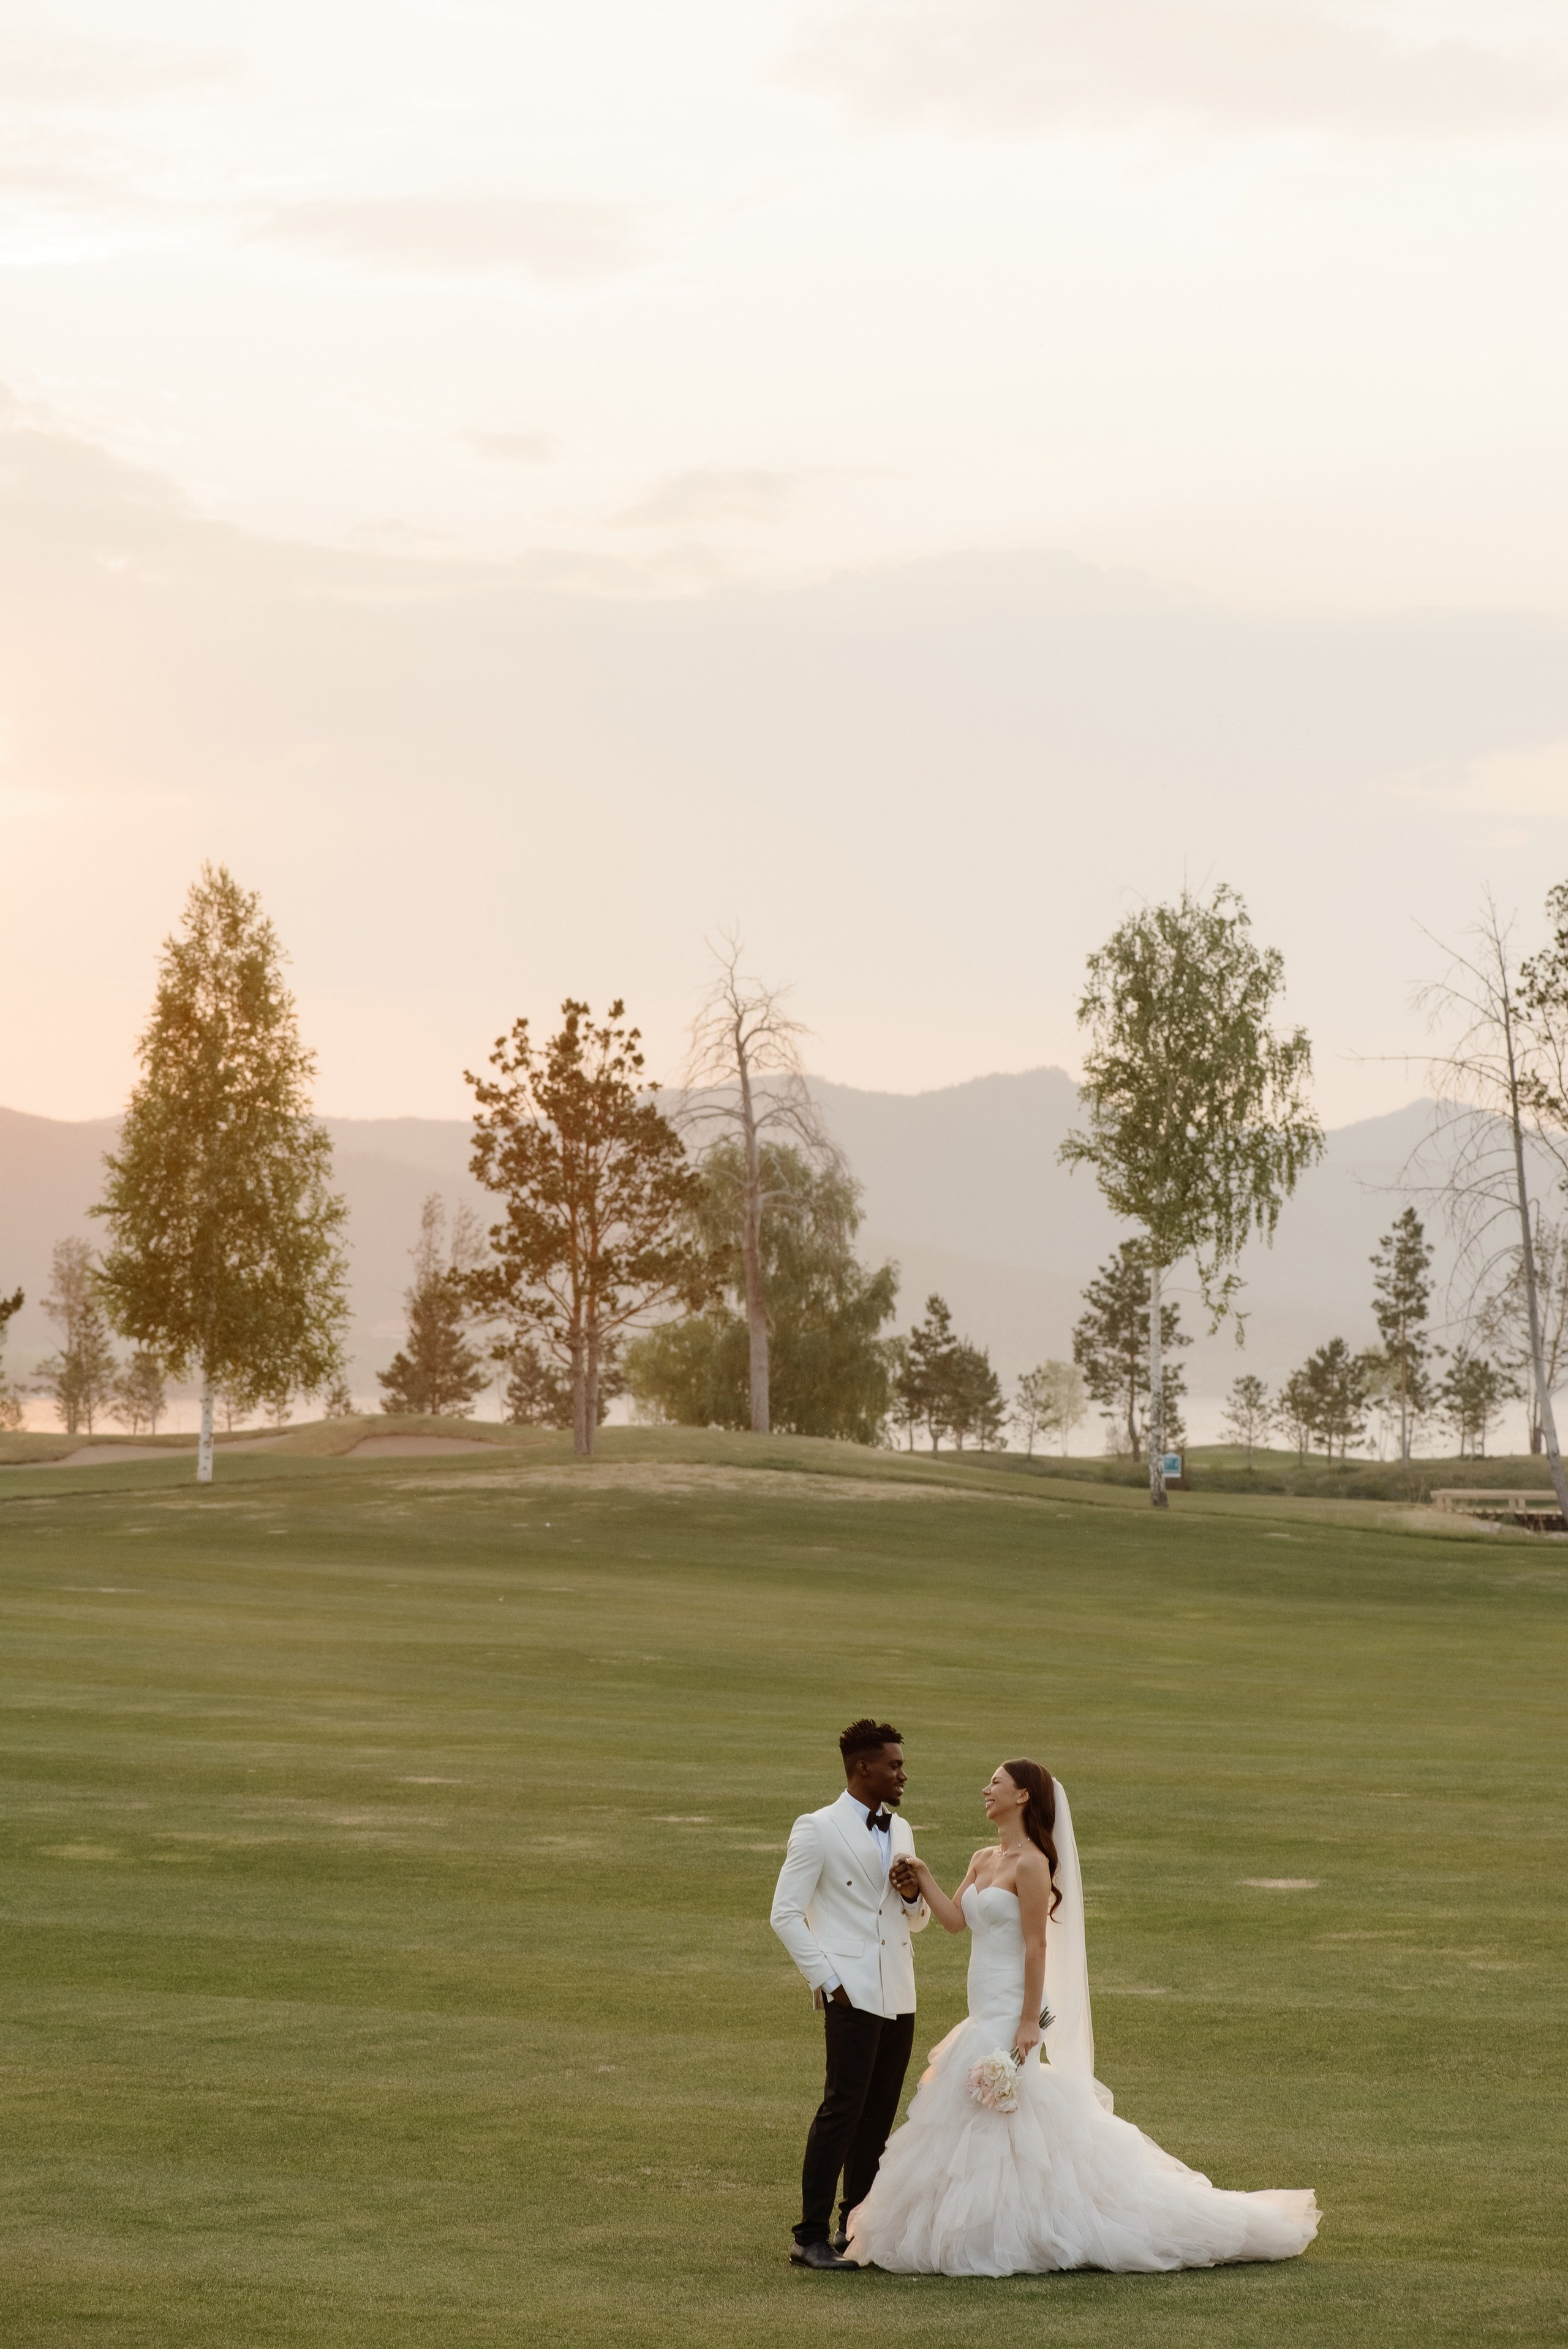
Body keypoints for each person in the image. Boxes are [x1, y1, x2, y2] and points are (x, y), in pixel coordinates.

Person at [847, 1760, 1321, 2276]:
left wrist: (1030, 2020)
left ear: (1023, 1796)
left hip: (1009, 2012)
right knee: (974, 2117)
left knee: (1005, 2117)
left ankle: (1014, 2231)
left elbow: (1035, 1947)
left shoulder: (1031, 1864)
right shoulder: (983, 1858)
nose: (986, 1790)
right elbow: (957, 1921)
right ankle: (988, 2227)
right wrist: (921, 1877)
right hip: (981, 2010)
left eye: (997, 1784)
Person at [769, 1718, 931, 2269]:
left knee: (879, 2113)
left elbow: (914, 1920)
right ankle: (809, 2234)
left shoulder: (901, 1828)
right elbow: (785, 1913)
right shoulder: (817, 1827)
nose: (903, 1774)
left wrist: (912, 1897)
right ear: (864, 1768)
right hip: (851, 1994)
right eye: (894, 1765)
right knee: (843, 2109)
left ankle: (855, 2227)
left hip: (899, 1991)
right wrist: (828, 1980)